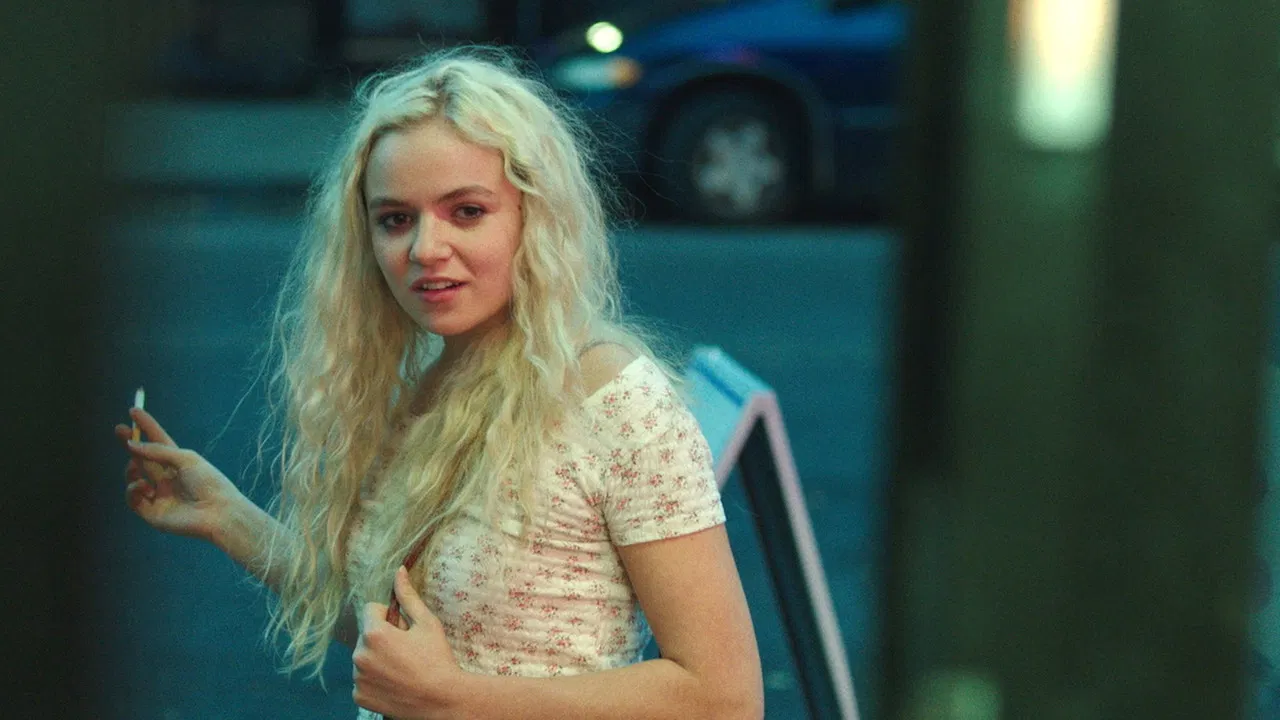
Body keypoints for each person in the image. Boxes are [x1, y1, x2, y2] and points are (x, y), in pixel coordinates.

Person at [114, 46, 764, 719]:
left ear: (535, 215)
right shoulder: (437, 376)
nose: (425, 249)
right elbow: (399, 634)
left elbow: (724, 697)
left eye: (467, 211)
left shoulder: (616, 397)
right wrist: (226, 515)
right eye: (396, 219)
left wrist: (455, 699)